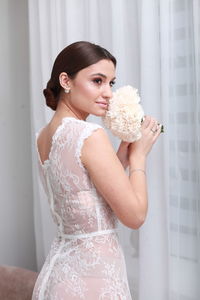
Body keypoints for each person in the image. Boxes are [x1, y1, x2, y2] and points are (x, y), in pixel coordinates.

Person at [32, 41, 162, 300]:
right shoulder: (89, 134)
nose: (108, 93)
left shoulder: (44, 136)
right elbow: (135, 216)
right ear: (66, 81)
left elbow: (82, 194)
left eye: (111, 83)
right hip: (92, 283)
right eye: (97, 81)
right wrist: (138, 158)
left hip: (58, 275)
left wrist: (119, 161)